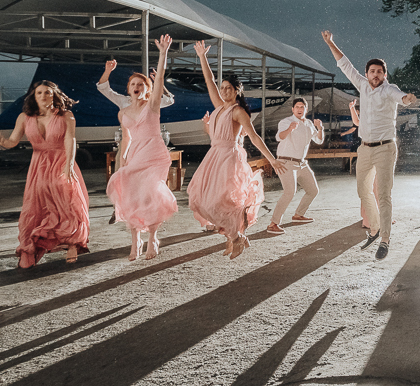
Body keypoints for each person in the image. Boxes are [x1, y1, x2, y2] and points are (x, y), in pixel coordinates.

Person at [322, 30, 418, 260]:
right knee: (362, 191)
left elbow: (401, 97)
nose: (375, 75)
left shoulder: (390, 89)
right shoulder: (362, 85)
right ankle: (374, 229)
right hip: (364, 148)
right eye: (372, 71)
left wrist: (408, 99)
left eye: (379, 72)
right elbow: (344, 64)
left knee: (383, 195)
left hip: (386, 148)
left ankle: (385, 239)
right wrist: (330, 43)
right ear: (366, 74)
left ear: (385, 74)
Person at [187, 40, 284, 260]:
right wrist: (202, 56)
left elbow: (254, 137)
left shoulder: (238, 111)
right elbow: (209, 80)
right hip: (214, 156)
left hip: (228, 158)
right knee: (200, 199)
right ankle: (234, 237)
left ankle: (237, 237)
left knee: (220, 201)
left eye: (228, 88)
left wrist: (272, 159)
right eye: (222, 88)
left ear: (236, 91)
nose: (224, 91)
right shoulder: (219, 107)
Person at [0, 81, 90, 268]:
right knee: (36, 205)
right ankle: (33, 247)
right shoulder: (24, 117)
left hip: (62, 160)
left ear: (54, 95)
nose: (43, 96)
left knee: (67, 201)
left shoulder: (66, 115)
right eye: (39, 93)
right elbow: (12, 142)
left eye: (47, 93)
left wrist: (69, 165)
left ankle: (73, 243)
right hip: (39, 165)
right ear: (34, 96)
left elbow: (70, 139)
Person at [105, 35, 178, 260]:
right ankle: (136, 239)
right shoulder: (123, 112)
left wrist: (163, 53)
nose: (136, 87)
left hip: (155, 153)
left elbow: (160, 81)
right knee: (132, 195)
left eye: (141, 85)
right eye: (133, 84)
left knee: (150, 195)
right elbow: (125, 139)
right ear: (128, 89)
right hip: (136, 153)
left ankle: (153, 238)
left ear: (147, 89)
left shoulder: (153, 105)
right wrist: (121, 161)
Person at [268, 97, 324, 234]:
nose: (300, 109)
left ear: (306, 109)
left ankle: (298, 215)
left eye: (302, 107)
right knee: (289, 192)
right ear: (293, 109)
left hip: (302, 163)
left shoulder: (309, 123)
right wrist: (290, 129)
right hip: (286, 162)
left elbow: (318, 140)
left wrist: (320, 128)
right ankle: (273, 223)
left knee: (313, 190)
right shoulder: (286, 121)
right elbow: (279, 137)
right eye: (297, 107)